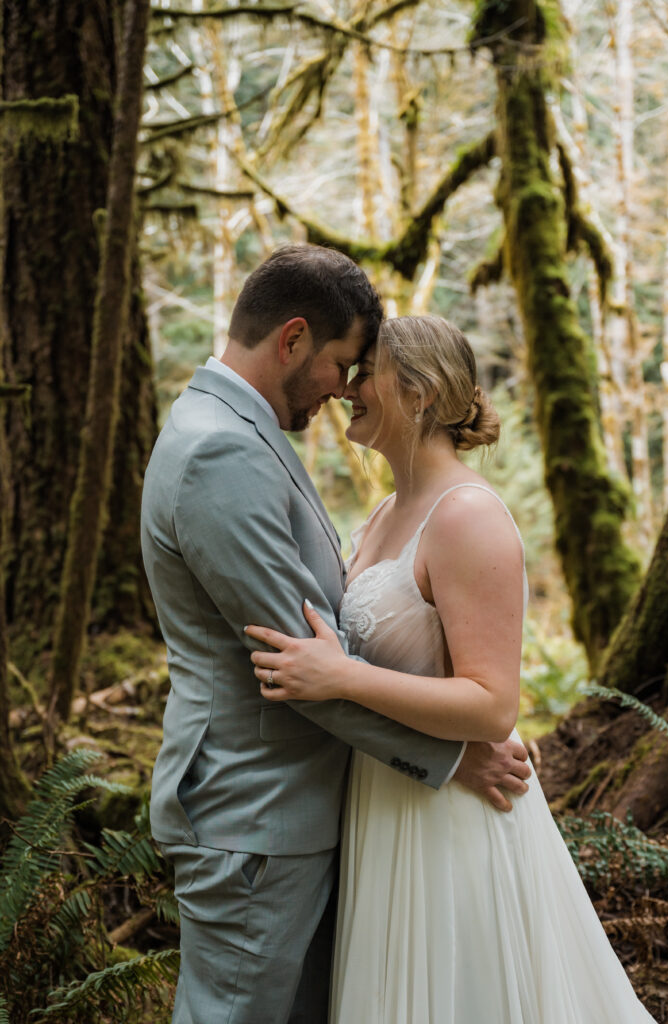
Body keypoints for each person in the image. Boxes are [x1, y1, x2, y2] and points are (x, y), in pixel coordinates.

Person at [140, 248, 532, 1024]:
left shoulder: (237, 433)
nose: (342, 387)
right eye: (339, 364)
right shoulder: (221, 449)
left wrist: (464, 724)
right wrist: (452, 755)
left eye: (362, 371)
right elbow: (297, 659)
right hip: (256, 814)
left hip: (323, 812)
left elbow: (337, 655)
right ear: (291, 340)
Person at [246, 314, 657, 1024]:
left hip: (453, 825)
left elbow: (492, 705)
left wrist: (340, 677)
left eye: (364, 370)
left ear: (419, 392)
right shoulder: (381, 514)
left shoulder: (466, 516)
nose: (346, 387)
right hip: (388, 797)